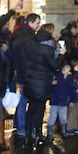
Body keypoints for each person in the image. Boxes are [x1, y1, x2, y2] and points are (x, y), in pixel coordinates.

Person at [21, 17, 59, 147]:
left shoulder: (30, 46)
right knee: (40, 109)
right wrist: (61, 55)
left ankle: (27, 134)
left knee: (31, 108)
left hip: (30, 83)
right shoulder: (47, 50)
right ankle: (37, 133)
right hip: (42, 84)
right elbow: (54, 66)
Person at [9, 14, 42, 141]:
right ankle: (22, 128)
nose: (38, 25)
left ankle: (19, 125)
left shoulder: (17, 33)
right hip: (29, 72)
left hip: (21, 71)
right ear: (30, 22)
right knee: (25, 100)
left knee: (22, 100)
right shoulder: (29, 37)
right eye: (37, 23)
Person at [48, 63, 72, 138]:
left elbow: (70, 90)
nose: (66, 71)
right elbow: (53, 85)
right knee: (52, 117)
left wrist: (70, 100)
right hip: (55, 102)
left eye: (68, 70)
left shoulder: (69, 79)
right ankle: (49, 132)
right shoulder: (57, 77)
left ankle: (63, 131)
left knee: (63, 118)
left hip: (63, 102)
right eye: (64, 69)